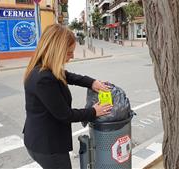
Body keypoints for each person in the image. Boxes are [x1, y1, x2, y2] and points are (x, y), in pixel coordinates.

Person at [23, 24, 113, 169]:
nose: (72, 56)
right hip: (48, 146)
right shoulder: (43, 78)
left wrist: (92, 83)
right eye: (69, 52)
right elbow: (65, 114)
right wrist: (94, 111)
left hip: (39, 139)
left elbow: (69, 76)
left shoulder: (44, 68)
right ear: (56, 51)